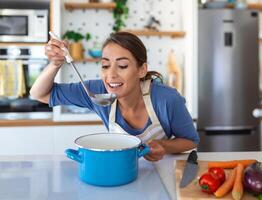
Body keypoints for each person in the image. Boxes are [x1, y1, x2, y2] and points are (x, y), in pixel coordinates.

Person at [30, 32, 199, 162]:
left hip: (160, 172)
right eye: (105, 65)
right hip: (121, 170)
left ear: (142, 70)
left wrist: (164, 146)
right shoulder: (97, 91)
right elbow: (39, 94)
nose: (111, 75)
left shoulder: (167, 99)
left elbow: (191, 141)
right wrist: (55, 64)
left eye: (122, 65)